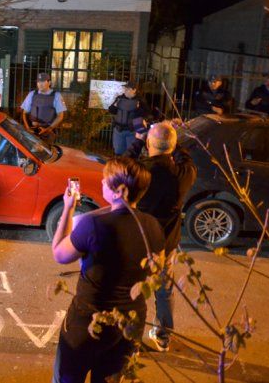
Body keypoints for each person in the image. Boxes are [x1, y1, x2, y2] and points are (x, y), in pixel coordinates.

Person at [51, 157, 165, 383]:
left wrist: (68, 208)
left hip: (88, 321)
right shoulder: (153, 225)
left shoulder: (94, 226)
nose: (102, 182)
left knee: (67, 377)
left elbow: (59, 254)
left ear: (118, 191)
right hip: (130, 321)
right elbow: (156, 271)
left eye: (106, 180)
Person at [123, 122, 197, 352]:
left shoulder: (141, 171)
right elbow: (187, 160)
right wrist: (176, 142)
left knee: (135, 292)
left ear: (148, 144)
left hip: (139, 243)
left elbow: (121, 164)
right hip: (167, 244)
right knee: (164, 291)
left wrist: (136, 140)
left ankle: (131, 340)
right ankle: (163, 336)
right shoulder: (183, 174)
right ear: (173, 146)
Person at [20, 72, 67, 144]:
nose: (40, 84)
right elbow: (24, 113)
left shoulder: (56, 96)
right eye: (38, 82)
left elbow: (60, 116)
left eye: (43, 81)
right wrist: (27, 128)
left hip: (47, 133)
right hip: (32, 132)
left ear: (49, 82)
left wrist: (49, 129)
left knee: (45, 154)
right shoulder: (32, 94)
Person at [108, 81, 152, 156]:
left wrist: (138, 109)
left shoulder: (140, 100)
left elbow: (146, 113)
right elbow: (111, 111)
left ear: (134, 90)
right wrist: (114, 106)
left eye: (128, 89)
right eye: (125, 88)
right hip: (119, 130)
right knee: (118, 153)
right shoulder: (119, 99)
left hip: (132, 131)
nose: (125, 90)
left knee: (131, 154)